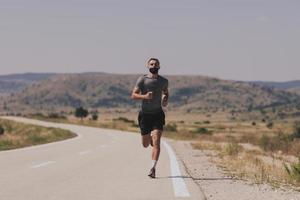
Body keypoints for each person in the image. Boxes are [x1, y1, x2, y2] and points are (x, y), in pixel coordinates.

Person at [131, 57, 169, 178]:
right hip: (145, 115)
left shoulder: (163, 81)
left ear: (159, 66)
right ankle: (150, 139)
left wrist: (165, 99)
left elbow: (166, 93)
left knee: (157, 141)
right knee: (145, 144)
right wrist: (145, 97)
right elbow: (133, 95)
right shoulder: (142, 79)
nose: (154, 66)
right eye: (151, 64)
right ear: (147, 66)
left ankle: (153, 168)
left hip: (158, 114)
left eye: (156, 64)